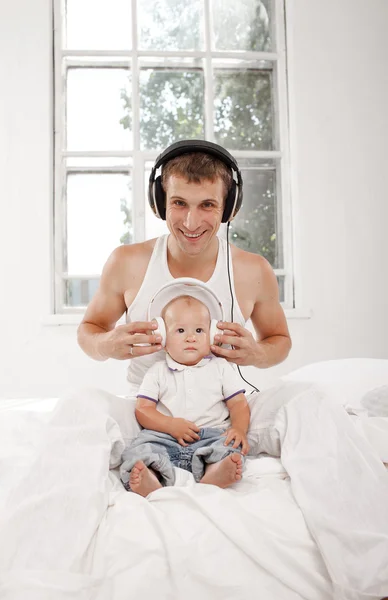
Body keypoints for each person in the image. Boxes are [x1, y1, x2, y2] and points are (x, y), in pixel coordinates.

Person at [77, 140, 292, 392]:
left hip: (222, 410)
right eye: (179, 203)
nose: (191, 223)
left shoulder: (254, 270)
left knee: (309, 399)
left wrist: (258, 354)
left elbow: (279, 340)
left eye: (207, 205)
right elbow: (89, 329)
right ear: (160, 202)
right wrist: (104, 345)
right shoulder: (126, 262)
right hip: (145, 411)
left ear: (229, 208)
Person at [119, 294, 251, 497]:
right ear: (163, 337)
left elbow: (239, 404)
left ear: (212, 333)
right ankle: (150, 478)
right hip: (164, 437)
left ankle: (216, 472)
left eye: (199, 330)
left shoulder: (221, 368)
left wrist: (239, 429)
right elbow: (143, 409)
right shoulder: (157, 371)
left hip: (211, 435)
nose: (191, 337)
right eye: (180, 331)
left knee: (228, 448)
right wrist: (169, 425)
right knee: (141, 450)